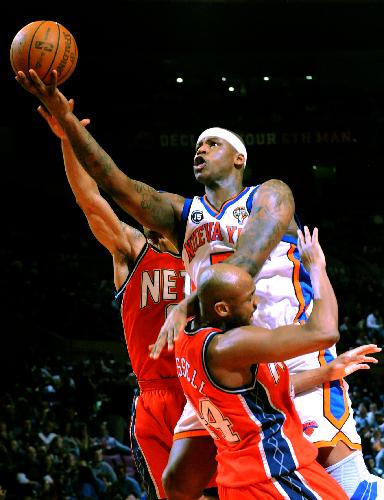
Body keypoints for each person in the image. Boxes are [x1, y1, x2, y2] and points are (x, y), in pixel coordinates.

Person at [15, 69, 383, 497]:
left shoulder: (270, 194)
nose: (201, 149)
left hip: (290, 348)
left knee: (327, 475)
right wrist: (68, 126)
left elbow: (243, 265)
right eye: (197, 145)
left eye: (213, 143)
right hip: (221, 368)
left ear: (239, 159)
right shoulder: (180, 214)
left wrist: (187, 303)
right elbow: (114, 183)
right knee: (179, 482)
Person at [36, 101, 188, 500]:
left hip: (202, 387)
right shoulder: (133, 248)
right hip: (155, 392)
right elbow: (90, 200)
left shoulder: (203, 257)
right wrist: (69, 138)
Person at [173, 226, 373, 499]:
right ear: (222, 308)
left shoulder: (189, 338)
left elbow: (263, 394)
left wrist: (327, 371)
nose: (256, 303)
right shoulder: (230, 346)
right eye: (248, 298)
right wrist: (316, 267)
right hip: (275, 473)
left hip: (238, 477)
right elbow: (325, 332)